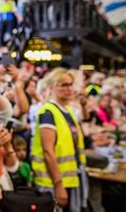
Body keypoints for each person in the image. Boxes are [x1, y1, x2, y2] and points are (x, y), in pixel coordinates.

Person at [31, 68, 88, 212]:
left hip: (68, 177)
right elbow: (48, 151)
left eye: (70, 84)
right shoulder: (48, 112)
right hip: (52, 181)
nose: (69, 89)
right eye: (63, 85)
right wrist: (58, 184)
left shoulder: (68, 111)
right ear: (52, 87)